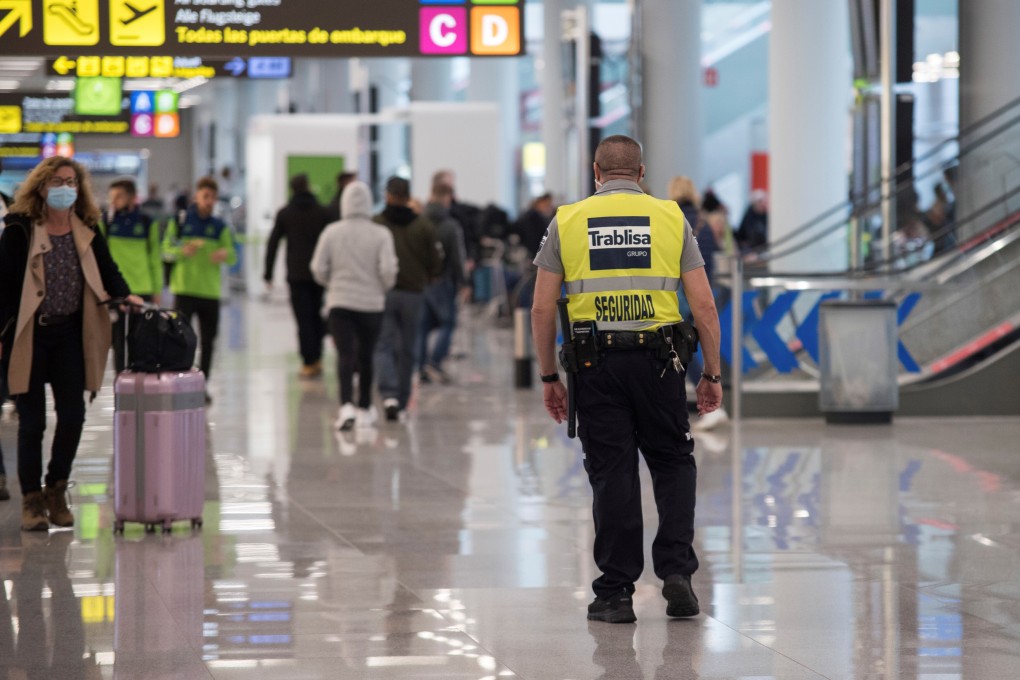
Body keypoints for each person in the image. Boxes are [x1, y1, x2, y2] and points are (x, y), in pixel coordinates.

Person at [531, 135, 723, 624]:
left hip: (596, 367)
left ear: (596, 171)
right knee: (673, 462)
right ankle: (677, 572)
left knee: (612, 471)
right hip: (661, 363)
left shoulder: (566, 220)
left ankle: (616, 592)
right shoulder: (671, 217)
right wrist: (713, 374)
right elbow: (703, 305)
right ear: (641, 174)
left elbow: (539, 308)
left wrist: (549, 375)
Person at [0, 156, 143, 531]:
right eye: (57, 182)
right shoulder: (19, 229)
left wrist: (127, 295)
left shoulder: (88, 227)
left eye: (71, 182)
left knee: (73, 416)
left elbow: (108, 269)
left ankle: (56, 487)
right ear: (41, 187)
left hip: (70, 336)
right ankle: (31, 501)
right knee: (32, 422)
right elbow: (3, 287)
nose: (66, 188)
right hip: (29, 334)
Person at [311, 181, 399, 431]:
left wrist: (333, 285)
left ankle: (346, 406)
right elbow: (389, 270)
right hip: (372, 305)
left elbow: (318, 268)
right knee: (367, 356)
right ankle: (364, 407)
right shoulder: (381, 234)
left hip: (340, 303)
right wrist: (381, 288)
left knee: (345, 356)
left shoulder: (331, 231)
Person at [373, 177, 442, 422]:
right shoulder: (423, 226)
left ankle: (389, 395)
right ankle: (402, 401)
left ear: (388, 195)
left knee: (383, 345)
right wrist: (428, 276)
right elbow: (435, 262)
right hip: (414, 294)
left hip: (384, 293)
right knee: (408, 348)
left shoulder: (377, 224)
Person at [162, 177, 237, 402]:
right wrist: (182, 251)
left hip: (210, 293)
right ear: (197, 196)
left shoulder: (219, 227)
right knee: (180, 339)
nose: (209, 201)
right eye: (205, 196)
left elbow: (232, 254)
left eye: (213, 198)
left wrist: (225, 255)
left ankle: (202, 385)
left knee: (208, 341)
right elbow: (165, 249)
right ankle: (178, 382)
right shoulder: (181, 221)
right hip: (184, 290)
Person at [264, 174, 333, 378]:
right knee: (315, 314)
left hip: (296, 275)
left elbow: (273, 243)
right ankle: (317, 356)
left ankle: (308, 360)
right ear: (309, 187)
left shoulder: (286, 213)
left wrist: (268, 273)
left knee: (303, 319)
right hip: (319, 274)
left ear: (292, 189)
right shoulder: (323, 212)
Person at [99, 178, 163, 372]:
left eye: (119, 196)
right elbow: (101, 260)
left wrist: (157, 290)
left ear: (132, 197)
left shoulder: (146, 222)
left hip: (143, 289)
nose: (114, 200)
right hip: (118, 293)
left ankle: (142, 385)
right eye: (112, 196)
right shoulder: (105, 223)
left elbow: (154, 258)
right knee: (119, 344)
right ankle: (122, 385)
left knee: (143, 342)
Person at [418, 182, 466, 385]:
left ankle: (420, 366)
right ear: (447, 197)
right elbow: (457, 257)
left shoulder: (419, 221)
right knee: (448, 322)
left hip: (422, 281)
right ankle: (435, 362)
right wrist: (464, 281)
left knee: (424, 325)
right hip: (443, 280)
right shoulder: (450, 225)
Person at [513, 192, 555, 259]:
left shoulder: (533, 214)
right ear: (540, 203)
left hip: (531, 248)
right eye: (547, 205)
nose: (548, 207)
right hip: (532, 249)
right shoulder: (533, 216)